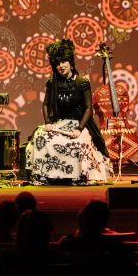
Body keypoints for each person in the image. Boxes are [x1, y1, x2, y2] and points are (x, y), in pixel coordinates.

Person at [25, 38, 110, 185]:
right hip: (59, 124)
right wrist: (48, 123)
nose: (61, 66)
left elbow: (89, 108)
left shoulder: (82, 83)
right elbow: (45, 104)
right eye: (57, 63)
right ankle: (44, 175)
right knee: (40, 137)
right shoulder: (52, 83)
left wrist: (79, 129)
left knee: (78, 142)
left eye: (64, 61)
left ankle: (77, 176)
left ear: (70, 62)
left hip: (79, 124)